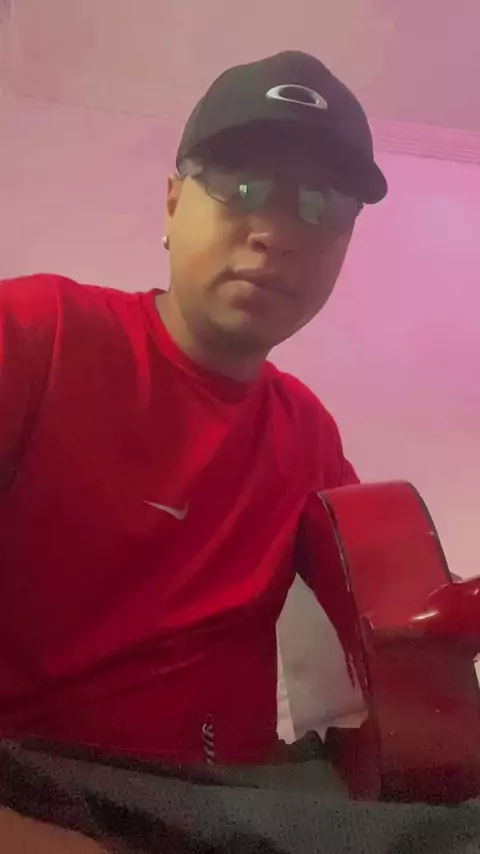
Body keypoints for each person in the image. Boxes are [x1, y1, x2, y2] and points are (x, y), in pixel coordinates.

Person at [0, 50, 387, 769]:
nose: (278, 233)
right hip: (39, 783)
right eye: (243, 187)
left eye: (323, 206)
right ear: (174, 204)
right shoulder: (33, 335)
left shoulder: (307, 433)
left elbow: (399, 618)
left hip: (237, 800)